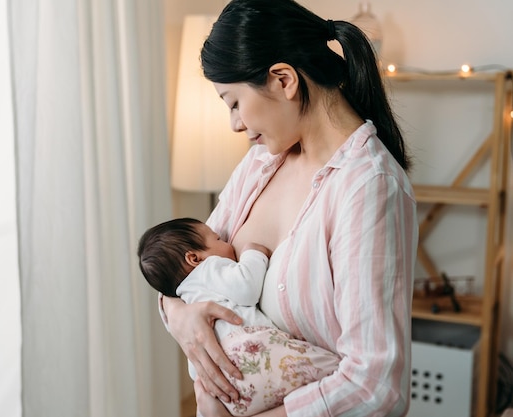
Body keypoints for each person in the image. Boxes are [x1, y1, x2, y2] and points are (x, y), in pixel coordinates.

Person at [159, 0, 419, 416]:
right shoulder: (261, 163)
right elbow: (186, 264)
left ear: (283, 80)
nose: (235, 125)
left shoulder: (369, 187)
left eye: (233, 103)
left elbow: (375, 387)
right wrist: (179, 315)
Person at [138, 218, 340, 416]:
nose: (228, 244)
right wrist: (254, 253)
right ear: (194, 259)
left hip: (229, 391)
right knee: (334, 369)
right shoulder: (208, 269)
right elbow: (246, 288)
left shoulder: (184, 297)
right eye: (219, 239)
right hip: (254, 354)